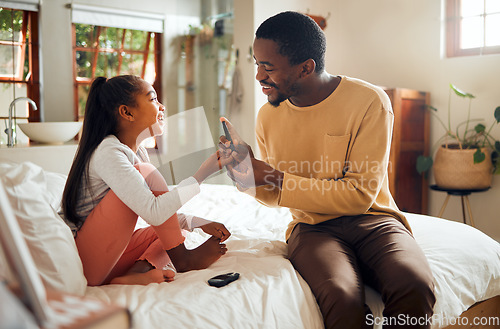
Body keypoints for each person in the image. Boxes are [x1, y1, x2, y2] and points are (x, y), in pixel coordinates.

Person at [221, 11, 436, 329]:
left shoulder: (369, 102)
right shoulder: (268, 116)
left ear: (306, 67)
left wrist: (272, 176)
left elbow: (358, 196)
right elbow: (273, 196)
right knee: (340, 293)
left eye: (268, 67)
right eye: (257, 63)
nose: (258, 77)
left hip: (374, 221)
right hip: (312, 228)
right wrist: (247, 175)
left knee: (414, 283)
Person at [61, 75, 233, 287]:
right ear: (127, 112)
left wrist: (198, 222)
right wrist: (201, 175)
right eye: (153, 99)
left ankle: (135, 274)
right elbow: (155, 211)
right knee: (146, 172)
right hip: (83, 264)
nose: (161, 107)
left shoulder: (136, 152)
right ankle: (183, 259)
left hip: (105, 260)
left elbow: (161, 216)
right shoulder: (109, 152)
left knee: (175, 232)